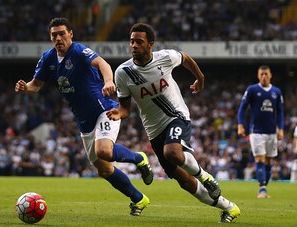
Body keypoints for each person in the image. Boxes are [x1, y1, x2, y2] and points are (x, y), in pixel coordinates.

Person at [15, 18, 153, 216]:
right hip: (84, 121)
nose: (58, 38)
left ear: (70, 34)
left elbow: (102, 63)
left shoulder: (78, 51)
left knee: (104, 150)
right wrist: (24, 87)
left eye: (62, 33)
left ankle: (139, 158)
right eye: (54, 35)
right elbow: (35, 85)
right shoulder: (48, 59)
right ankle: (139, 199)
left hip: (104, 110)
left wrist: (108, 81)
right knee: (104, 170)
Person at [106, 23, 240, 223]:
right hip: (154, 130)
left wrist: (200, 78)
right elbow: (126, 107)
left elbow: (184, 57)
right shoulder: (123, 73)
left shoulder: (165, 57)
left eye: (139, 42)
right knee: (183, 180)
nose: (134, 45)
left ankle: (206, 178)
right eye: (132, 41)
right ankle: (228, 207)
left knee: (173, 152)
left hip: (176, 115)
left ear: (150, 44)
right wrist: (120, 113)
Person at [237, 65, 284, 198]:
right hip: (256, 131)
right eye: (261, 74)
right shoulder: (252, 90)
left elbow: (280, 112)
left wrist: (280, 129)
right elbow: (242, 108)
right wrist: (240, 125)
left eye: (266, 74)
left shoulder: (277, 92)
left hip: (272, 132)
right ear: (258, 76)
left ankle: (264, 186)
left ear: (270, 75)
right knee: (260, 158)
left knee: (269, 161)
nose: (264, 76)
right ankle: (262, 188)